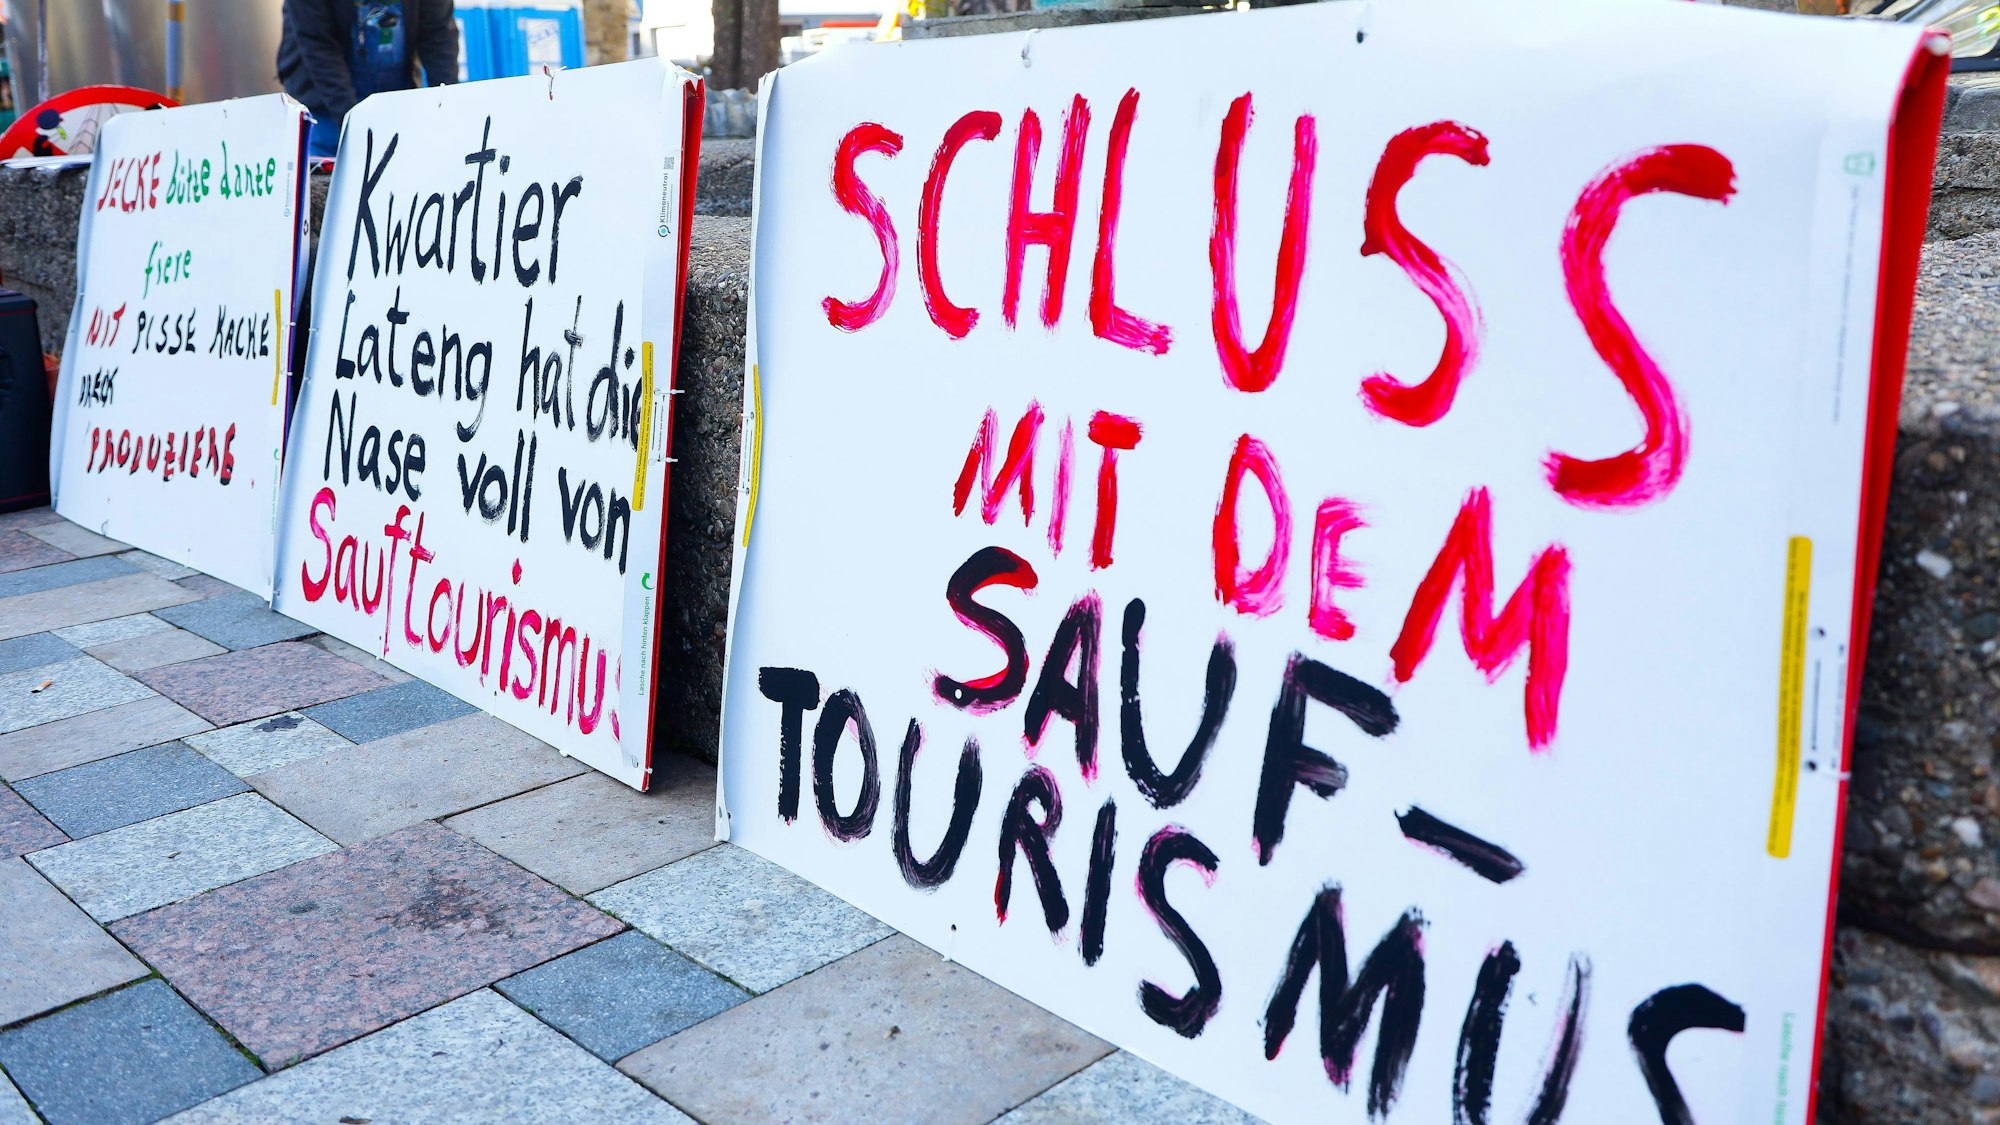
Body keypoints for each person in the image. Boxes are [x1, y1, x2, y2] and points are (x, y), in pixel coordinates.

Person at [278, 0, 460, 158]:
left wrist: (446, 113)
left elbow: (438, 38)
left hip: (396, 100)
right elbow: (319, 48)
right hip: (324, 107)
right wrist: (355, 127)